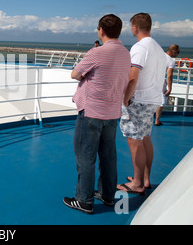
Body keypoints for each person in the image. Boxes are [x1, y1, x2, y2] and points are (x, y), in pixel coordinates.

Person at [63, 14, 131, 214]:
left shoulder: (97, 52)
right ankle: (108, 195)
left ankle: (84, 200)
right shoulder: (125, 54)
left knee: (85, 156)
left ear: (101, 29)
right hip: (112, 113)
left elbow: (75, 74)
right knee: (108, 156)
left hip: (91, 112)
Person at [118, 13, 167, 195]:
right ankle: (145, 179)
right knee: (145, 138)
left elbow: (132, 78)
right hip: (153, 99)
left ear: (134, 27)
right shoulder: (158, 49)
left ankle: (137, 183)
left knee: (134, 140)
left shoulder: (140, 48)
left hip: (138, 100)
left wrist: (124, 100)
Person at [155, 45, 180, 126]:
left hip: (149, 79)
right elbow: (169, 76)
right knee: (161, 102)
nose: (178, 54)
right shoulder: (171, 61)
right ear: (173, 52)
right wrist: (169, 89)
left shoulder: (159, 56)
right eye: (178, 52)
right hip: (160, 81)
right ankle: (157, 121)